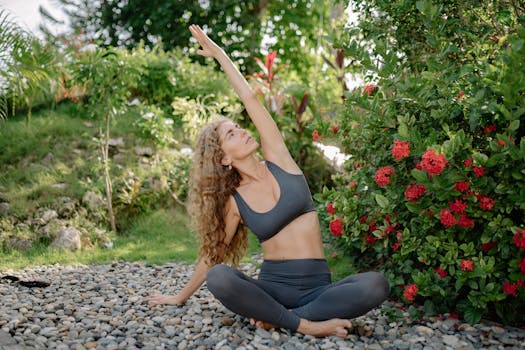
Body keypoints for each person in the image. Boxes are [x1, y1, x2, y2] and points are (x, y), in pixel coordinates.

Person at [145, 24, 389, 338]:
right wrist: (179, 296)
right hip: (272, 291)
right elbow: (212, 255)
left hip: (318, 290)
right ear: (224, 159)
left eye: (238, 126)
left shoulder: (279, 161)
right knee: (221, 277)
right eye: (231, 134)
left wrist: (220, 55)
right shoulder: (235, 200)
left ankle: (284, 320)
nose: (243, 131)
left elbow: (250, 98)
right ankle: (308, 325)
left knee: (375, 285)